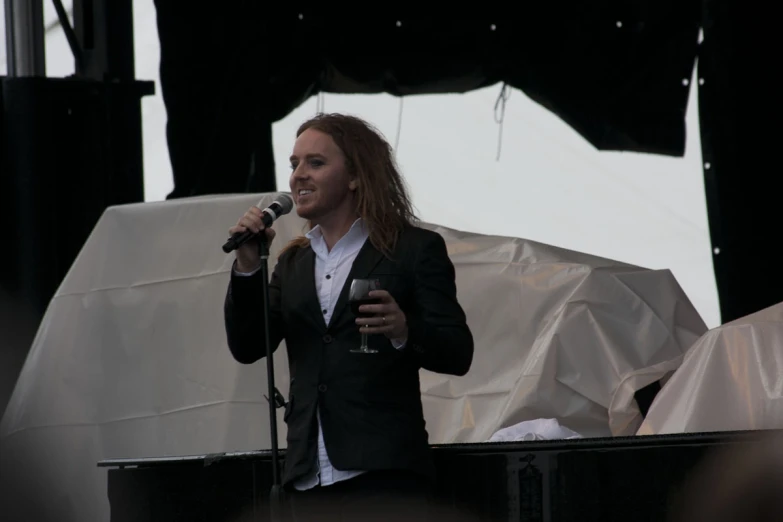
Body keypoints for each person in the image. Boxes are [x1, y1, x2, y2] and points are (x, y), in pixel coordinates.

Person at [223, 113, 474, 521]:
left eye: (315, 163)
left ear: (356, 176)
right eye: (294, 164)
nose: (298, 176)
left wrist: (404, 331)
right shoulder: (292, 263)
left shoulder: (413, 249)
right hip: (307, 478)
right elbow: (249, 346)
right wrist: (248, 266)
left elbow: (458, 352)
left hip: (385, 476)